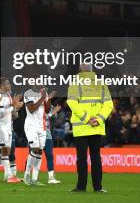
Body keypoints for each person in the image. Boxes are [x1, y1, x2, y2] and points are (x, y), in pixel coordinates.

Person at [67, 63, 113, 193]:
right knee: (96, 158)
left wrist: (87, 118)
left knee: (81, 158)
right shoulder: (101, 83)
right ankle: (98, 187)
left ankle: (81, 187)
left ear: (79, 71)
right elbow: (108, 105)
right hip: (96, 127)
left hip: (81, 127)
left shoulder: (75, 83)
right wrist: (98, 119)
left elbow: (72, 103)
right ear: (92, 71)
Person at [0, 77, 23, 183]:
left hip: (8, 126)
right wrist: (13, 106)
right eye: (7, 83)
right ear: (2, 85)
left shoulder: (8, 95)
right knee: (4, 150)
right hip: (0, 127)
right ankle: (8, 176)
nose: (9, 85)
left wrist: (16, 108)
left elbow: (10, 113)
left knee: (7, 151)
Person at [23, 87, 56, 185]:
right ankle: (26, 175)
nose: (40, 84)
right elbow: (31, 109)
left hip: (42, 127)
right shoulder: (28, 93)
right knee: (35, 149)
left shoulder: (44, 93)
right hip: (31, 126)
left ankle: (34, 179)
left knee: (39, 151)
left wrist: (48, 98)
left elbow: (47, 110)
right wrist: (42, 98)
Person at [44, 103, 62, 184]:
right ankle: (27, 175)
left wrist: (54, 114)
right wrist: (53, 113)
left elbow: (54, 121)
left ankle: (51, 178)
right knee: (34, 156)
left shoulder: (51, 107)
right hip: (36, 134)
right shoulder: (36, 106)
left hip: (47, 135)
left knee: (50, 156)